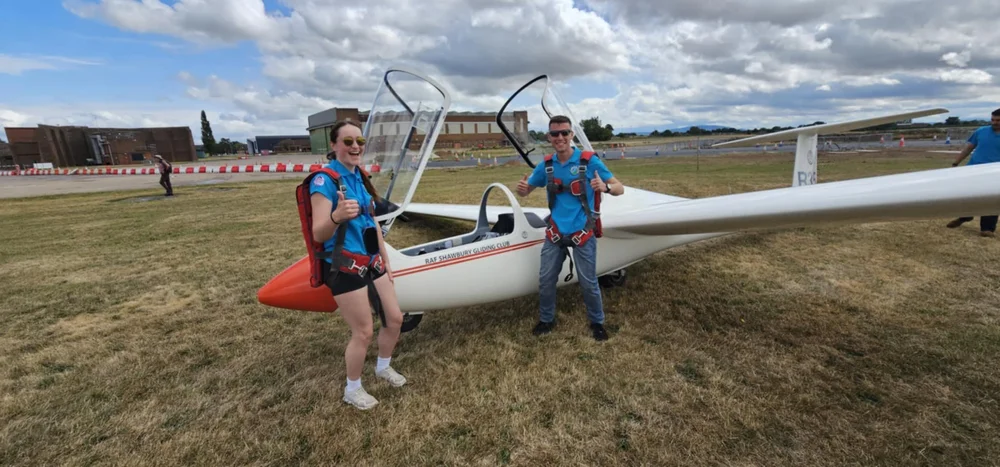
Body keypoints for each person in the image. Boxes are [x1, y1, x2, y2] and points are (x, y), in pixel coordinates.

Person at [309, 120, 406, 410]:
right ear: (334, 145)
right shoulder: (324, 181)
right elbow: (319, 234)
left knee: (395, 319)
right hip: (344, 266)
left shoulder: (360, 176)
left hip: (372, 261)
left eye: (359, 142)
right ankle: (352, 389)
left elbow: (371, 220)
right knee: (363, 331)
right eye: (348, 141)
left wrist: (385, 258)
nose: (355, 147)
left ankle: (383, 366)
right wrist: (336, 216)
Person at [516, 115, 624, 341]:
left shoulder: (589, 162)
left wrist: (604, 187)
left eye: (564, 133)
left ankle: (597, 322)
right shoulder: (546, 166)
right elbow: (526, 191)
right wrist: (523, 190)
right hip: (555, 232)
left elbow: (619, 187)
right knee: (546, 279)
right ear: (549, 137)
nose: (560, 137)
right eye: (555, 134)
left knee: (588, 282)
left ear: (571, 135)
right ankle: (546, 320)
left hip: (582, 232)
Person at [946, 108, 1000, 237]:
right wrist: (956, 163)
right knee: (968, 194)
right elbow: (969, 148)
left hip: (994, 173)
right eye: (992, 120)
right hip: (973, 170)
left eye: (998, 120)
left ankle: (987, 229)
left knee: (992, 199)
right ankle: (965, 216)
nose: (994, 123)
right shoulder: (981, 131)